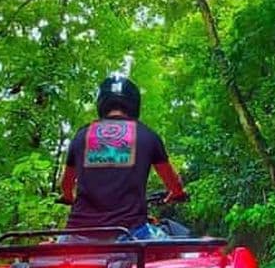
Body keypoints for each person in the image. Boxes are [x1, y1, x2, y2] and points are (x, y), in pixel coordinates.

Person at [59, 75, 187, 240]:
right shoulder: (147, 135)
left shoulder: (81, 135)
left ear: (102, 102)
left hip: (77, 235)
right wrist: (176, 193)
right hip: (129, 235)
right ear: (134, 103)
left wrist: (68, 197)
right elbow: (173, 183)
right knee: (182, 248)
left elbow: (66, 184)